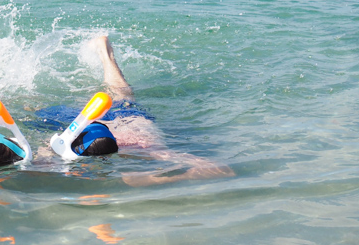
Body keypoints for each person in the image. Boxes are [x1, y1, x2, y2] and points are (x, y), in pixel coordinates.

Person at [40, 35, 235, 186]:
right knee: (121, 96)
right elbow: (224, 170)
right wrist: (186, 175)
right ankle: (105, 54)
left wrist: (181, 177)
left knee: (122, 96)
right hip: (127, 122)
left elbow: (134, 180)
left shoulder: (144, 147)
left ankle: (105, 54)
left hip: (116, 122)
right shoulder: (147, 147)